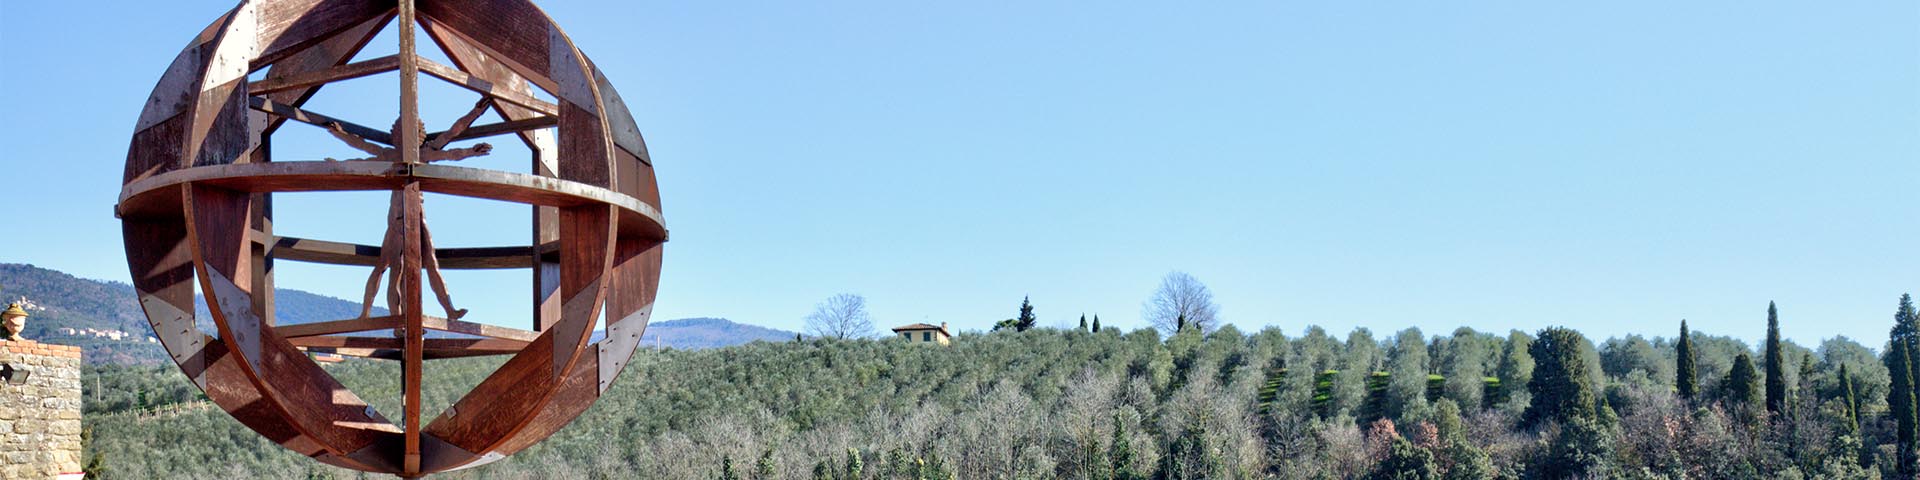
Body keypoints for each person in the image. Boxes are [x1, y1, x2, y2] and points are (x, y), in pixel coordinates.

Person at [324, 98, 497, 320]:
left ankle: (449, 310)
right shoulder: (390, 155)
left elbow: (452, 139)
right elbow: (361, 149)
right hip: (397, 218)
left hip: (417, 215)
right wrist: (338, 143)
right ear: (396, 135)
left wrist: (475, 118)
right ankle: (374, 314)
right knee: (391, 267)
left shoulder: (424, 153)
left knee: (429, 263)